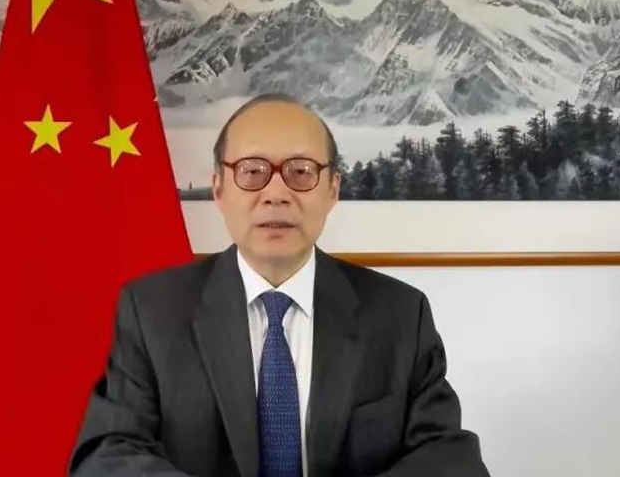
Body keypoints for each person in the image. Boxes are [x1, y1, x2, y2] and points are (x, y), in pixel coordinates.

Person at [68, 94, 490, 477]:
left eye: (300, 172)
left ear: (332, 189)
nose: (276, 194)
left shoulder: (400, 313)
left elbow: (451, 458)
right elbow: (106, 455)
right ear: (219, 189)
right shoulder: (152, 310)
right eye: (252, 172)